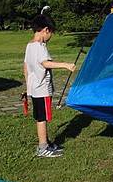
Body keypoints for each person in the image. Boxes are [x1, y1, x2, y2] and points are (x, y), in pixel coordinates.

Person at [23, 15, 75, 158]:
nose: (50, 37)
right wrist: (65, 65)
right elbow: (45, 63)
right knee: (42, 118)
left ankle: (45, 142)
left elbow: (25, 67)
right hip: (42, 90)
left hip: (34, 89)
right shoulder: (40, 47)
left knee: (40, 117)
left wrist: (28, 87)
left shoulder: (29, 46)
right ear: (46, 30)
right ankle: (43, 147)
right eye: (51, 33)